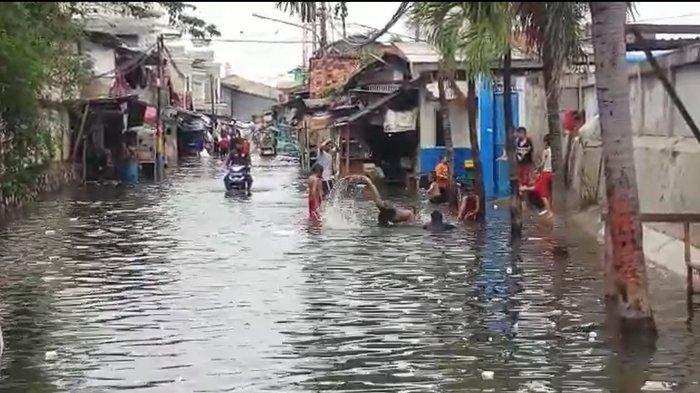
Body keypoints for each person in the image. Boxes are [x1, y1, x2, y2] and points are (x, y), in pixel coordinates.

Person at [347, 175, 416, 226]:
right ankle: (368, 181)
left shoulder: (404, 212)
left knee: (378, 203)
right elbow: (410, 224)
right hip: (391, 212)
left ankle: (368, 182)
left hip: (388, 214)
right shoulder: (410, 213)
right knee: (378, 201)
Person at [522, 134, 553, 218]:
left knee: (543, 194)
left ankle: (549, 212)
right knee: (549, 192)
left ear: (546, 142)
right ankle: (548, 209)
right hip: (552, 173)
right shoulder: (553, 151)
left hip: (546, 173)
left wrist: (537, 169)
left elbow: (542, 163)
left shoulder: (546, 151)